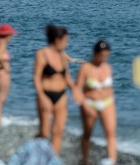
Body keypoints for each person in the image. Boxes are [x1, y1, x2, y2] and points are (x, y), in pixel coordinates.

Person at [33, 24, 78, 154]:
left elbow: (67, 77)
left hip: (61, 96)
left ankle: (52, 160)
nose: (67, 44)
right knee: (45, 132)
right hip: (45, 95)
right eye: (66, 41)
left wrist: (75, 89)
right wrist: (42, 97)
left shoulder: (62, 56)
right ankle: (32, 152)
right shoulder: (42, 54)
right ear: (58, 40)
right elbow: (36, 78)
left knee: (58, 132)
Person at [75, 40, 116, 165]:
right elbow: (77, 90)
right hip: (89, 103)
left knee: (110, 134)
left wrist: (111, 103)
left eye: (106, 55)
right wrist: (85, 105)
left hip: (107, 103)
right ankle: (85, 161)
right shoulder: (85, 68)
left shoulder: (107, 67)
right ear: (95, 53)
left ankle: (112, 161)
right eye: (101, 55)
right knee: (87, 134)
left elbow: (110, 89)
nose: (103, 58)